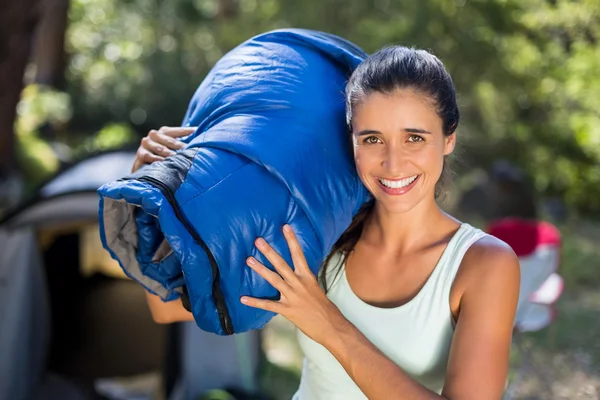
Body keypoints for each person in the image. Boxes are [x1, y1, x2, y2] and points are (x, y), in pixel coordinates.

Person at [134, 46, 520, 399]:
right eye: (371, 139)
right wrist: (148, 190)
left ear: (448, 138)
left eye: (414, 138)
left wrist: (330, 324)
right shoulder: (323, 234)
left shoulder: (483, 264)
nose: (393, 163)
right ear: (351, 140)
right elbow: (166, 308)